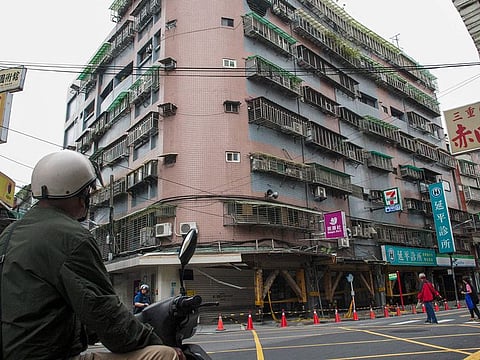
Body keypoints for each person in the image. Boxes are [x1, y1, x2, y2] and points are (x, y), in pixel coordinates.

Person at [0, 150, 185, 360]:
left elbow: (43, 311)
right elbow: (106, 315)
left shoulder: (10, 233)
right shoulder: (71, 237)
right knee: (163, 355)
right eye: (87, 191)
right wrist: (154, 340)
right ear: (79, 194)